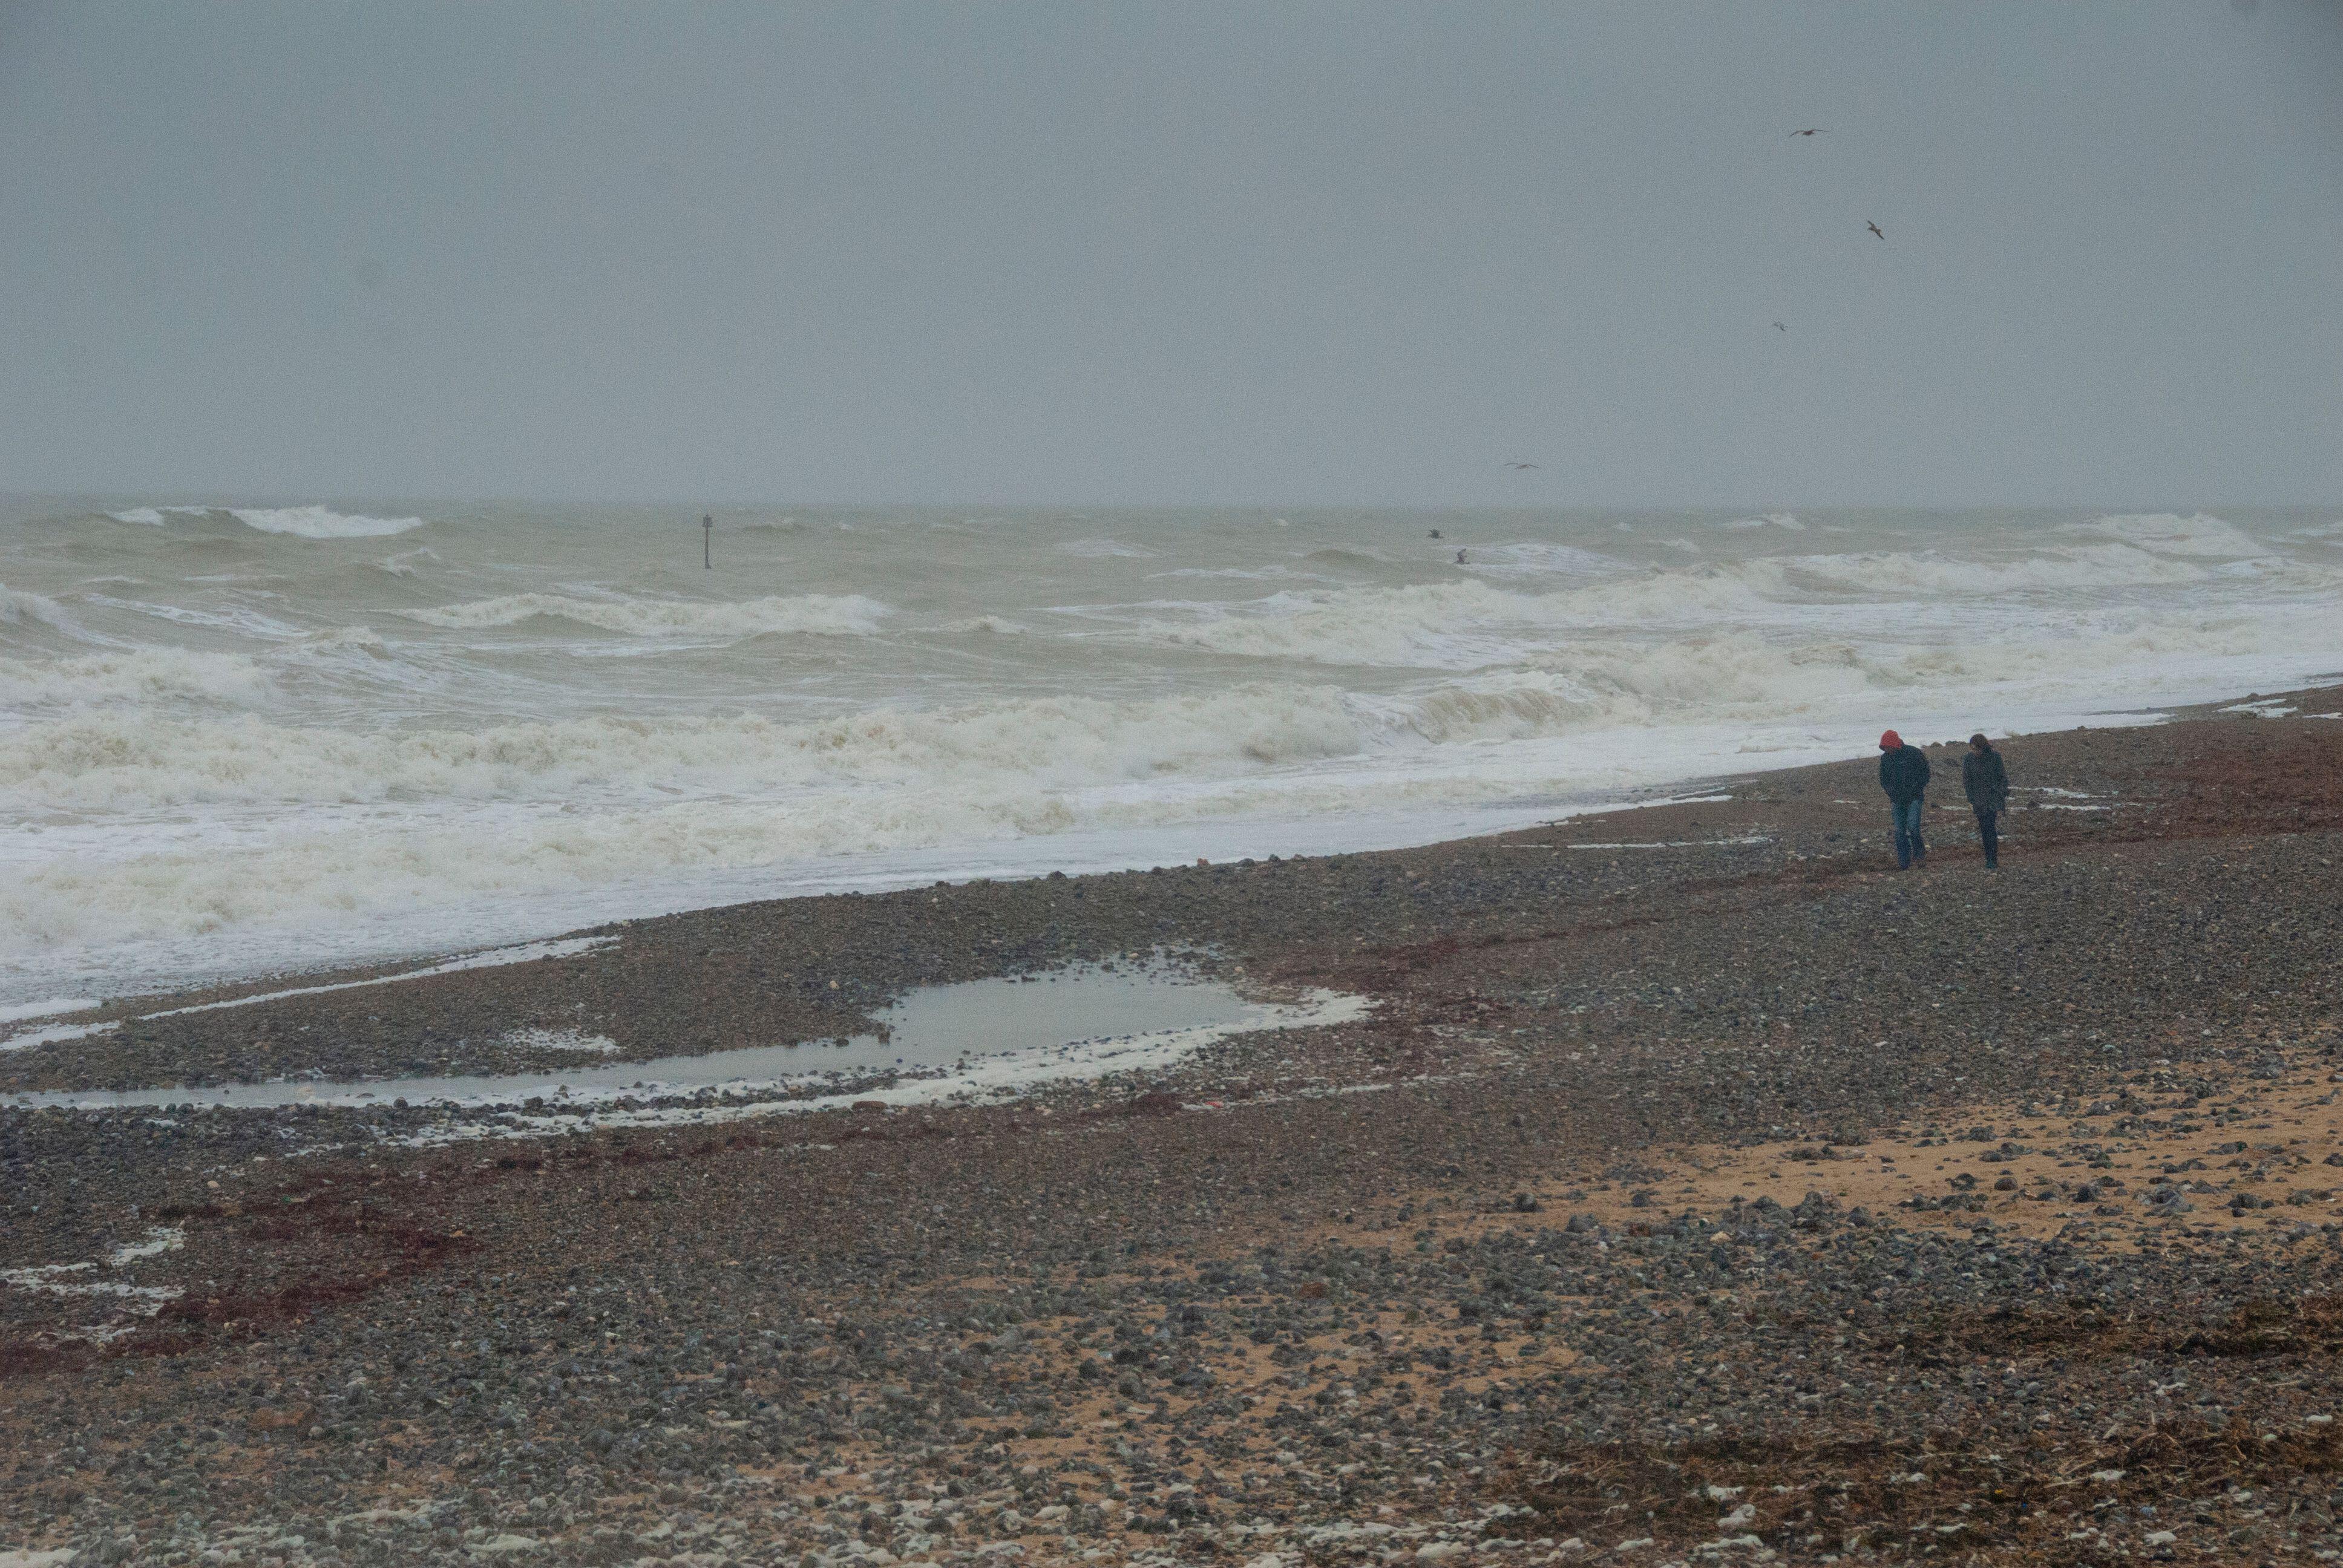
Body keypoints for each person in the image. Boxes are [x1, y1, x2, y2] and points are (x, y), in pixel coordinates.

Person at [1876, 729, 1930, 869]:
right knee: (1900, 831)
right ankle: (1904, 862)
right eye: (1885, 747)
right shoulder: (1885, 759)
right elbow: (1884, 779)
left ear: (1895, 744)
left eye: (1888, 747)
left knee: (1913, 827)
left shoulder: (1913, 753)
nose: (1887, 750)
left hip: (1915, 798)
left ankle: (1919, 855)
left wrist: (1916, 789)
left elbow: (1925, 773)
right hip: (1896, 799)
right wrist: (1891, 793)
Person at [1961, 732, 2008, 868]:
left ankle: (1992, 860)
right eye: (1972, 748)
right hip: (1978, 799)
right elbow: (1967, 780)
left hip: (1993, 797)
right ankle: (1989, 857)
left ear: (1983, 747)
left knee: (1990, 826)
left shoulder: (1995, 757)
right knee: (1984, 828)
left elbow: (2002, 777)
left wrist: (2001, 792)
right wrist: (1971, 798)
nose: (1974, 751)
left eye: (1976, 748)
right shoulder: (1968, 759)